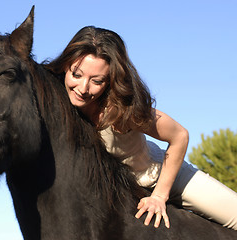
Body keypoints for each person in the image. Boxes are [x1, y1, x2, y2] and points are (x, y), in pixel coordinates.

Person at [45, 26, 237, 230]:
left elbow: (180, 135)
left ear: (110, 80)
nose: (83, 89)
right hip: (120, 190)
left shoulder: (123, 109)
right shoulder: (56, 100)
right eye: (77, 75)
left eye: (97, 81)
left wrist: (159, 196)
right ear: (65, 66)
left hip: (163, 177)